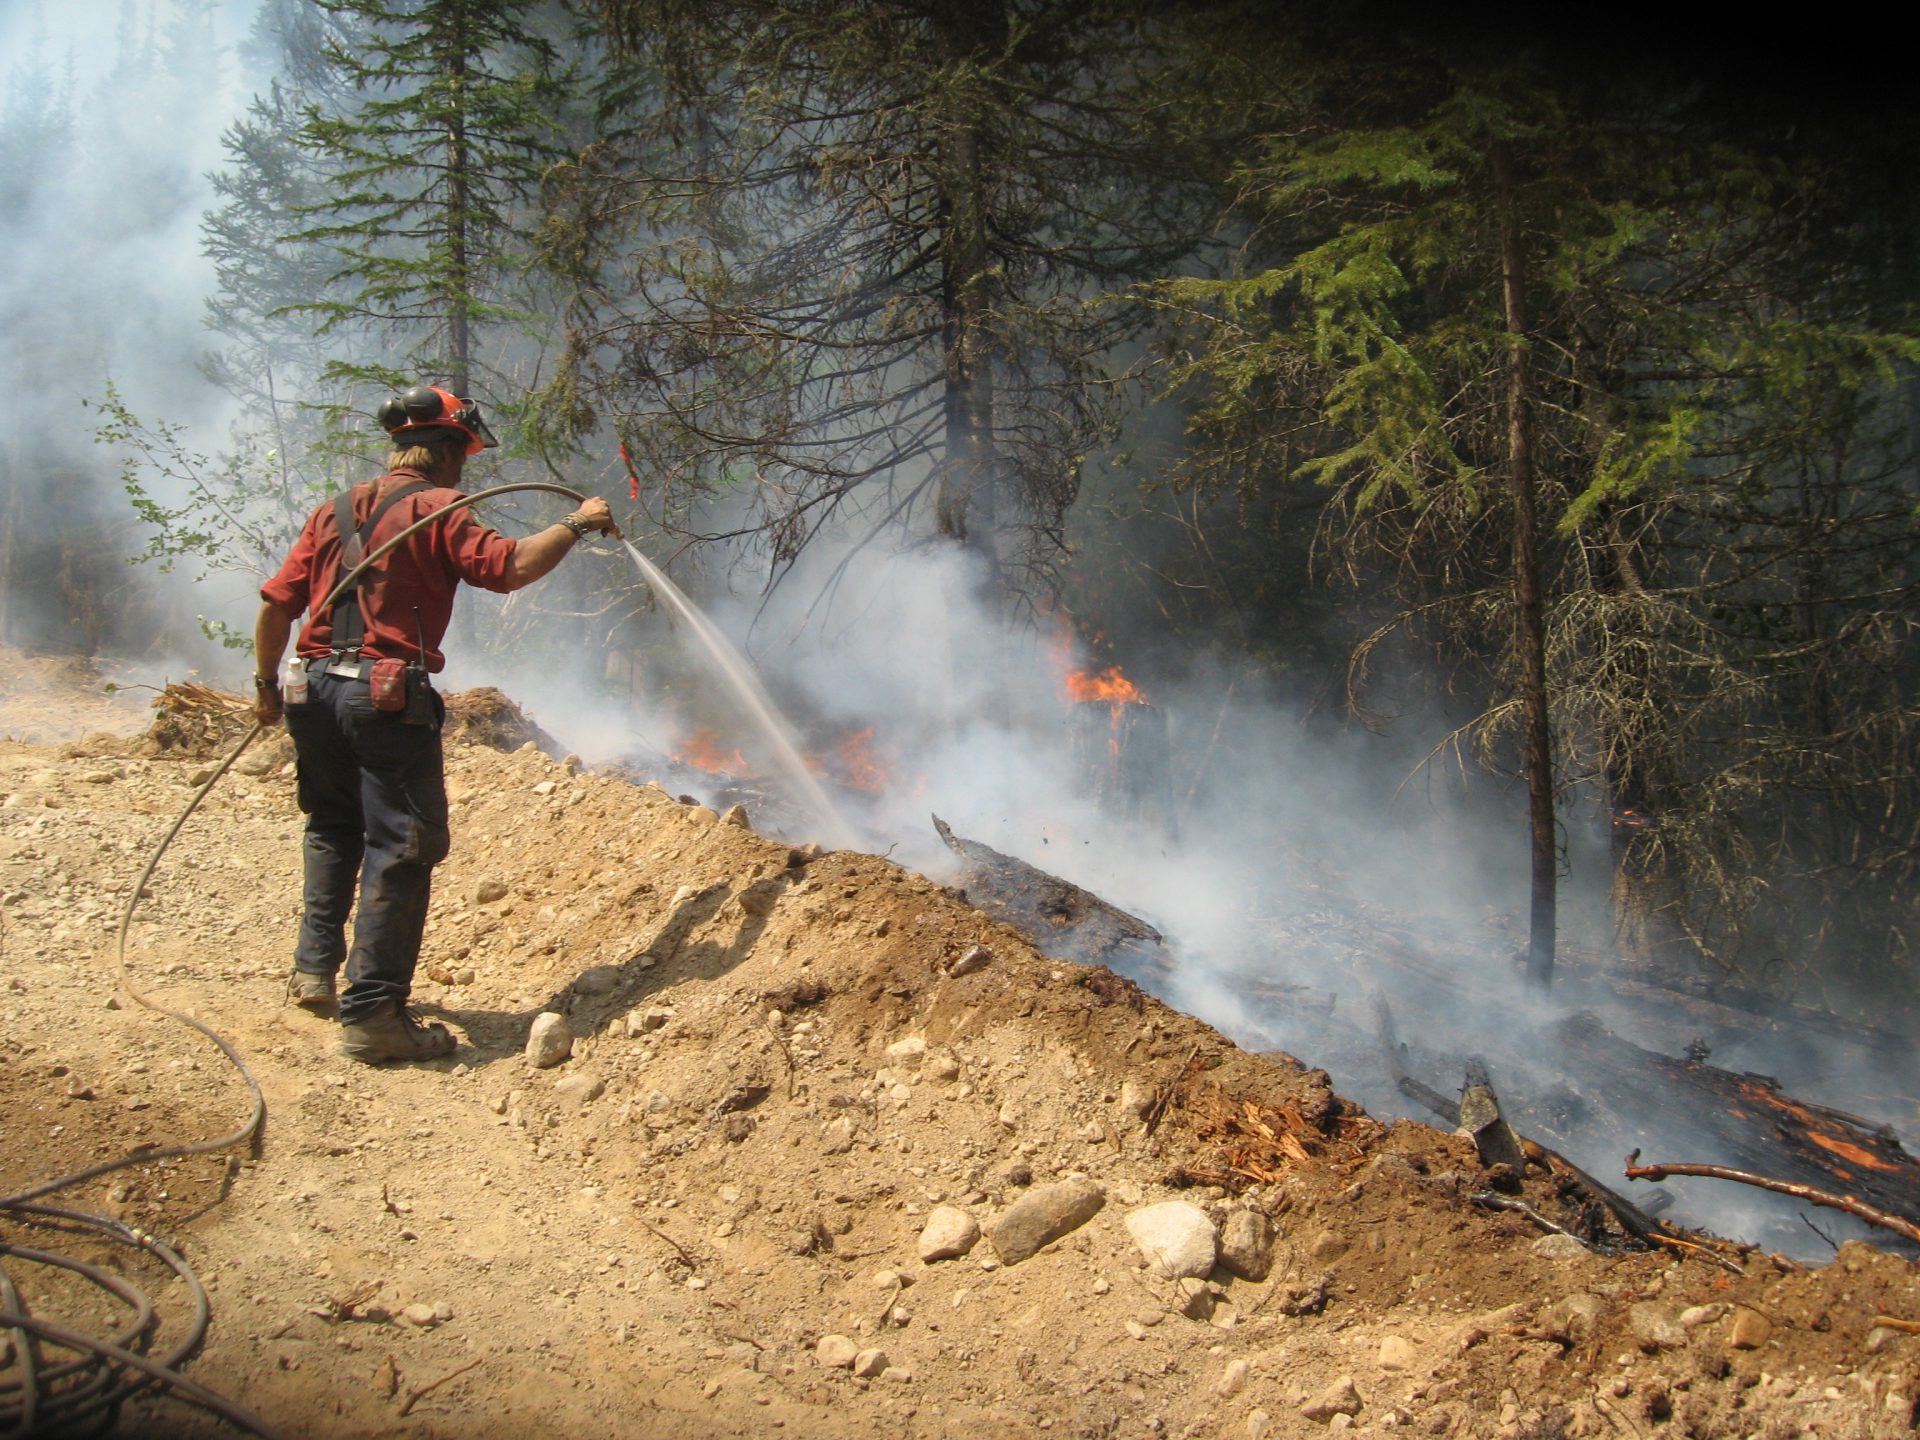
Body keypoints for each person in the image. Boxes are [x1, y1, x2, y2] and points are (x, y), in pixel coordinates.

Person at [251, 384, 616, 1064]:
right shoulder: (442, 508)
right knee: (404, 844)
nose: (462, 472)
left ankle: (313, 972)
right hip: (384, 699)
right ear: (449, 453)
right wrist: (579, 522)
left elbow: (278, 605)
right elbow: (510, 568)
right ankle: (374, 1016)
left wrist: (266, 686)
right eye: (464, 458)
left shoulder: (334, 510)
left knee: (332, 826)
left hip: (315, 690)